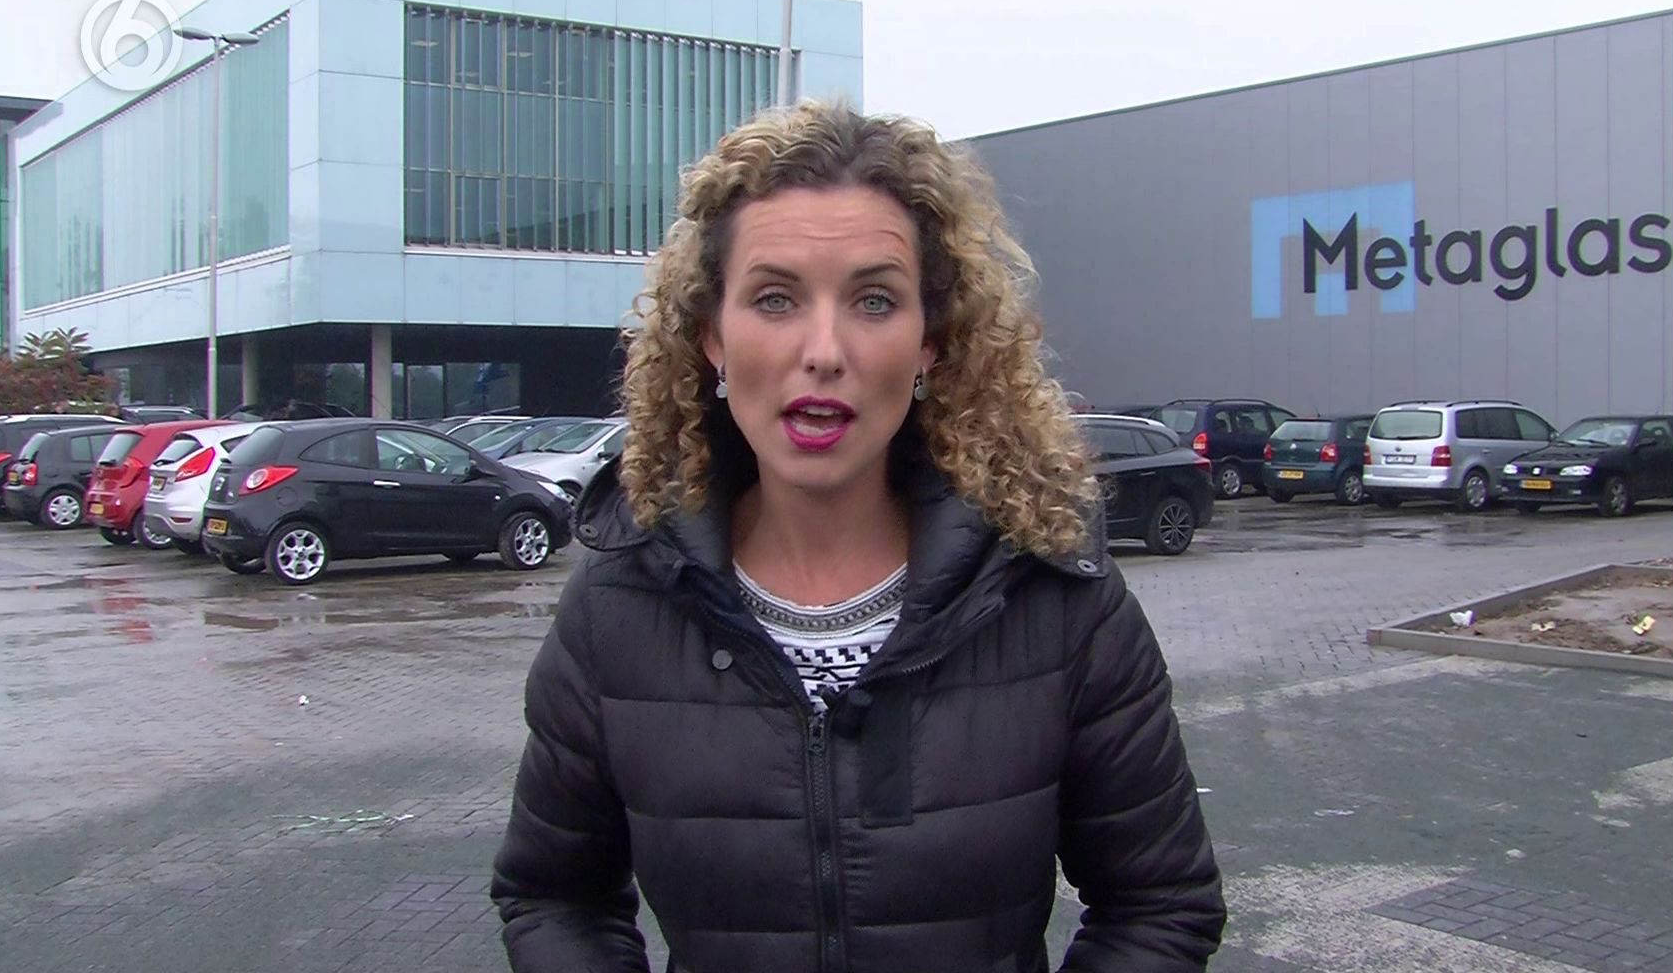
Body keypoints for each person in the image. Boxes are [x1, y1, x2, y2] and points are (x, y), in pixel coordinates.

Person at [491, 101, 1226, 972]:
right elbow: (554, 898)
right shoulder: (617, 604)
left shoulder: (1056, 595)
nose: (825, 350)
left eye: (874, 301)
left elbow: (1160, 905)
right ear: (712, 337)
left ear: (930, 344)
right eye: (774, 298)